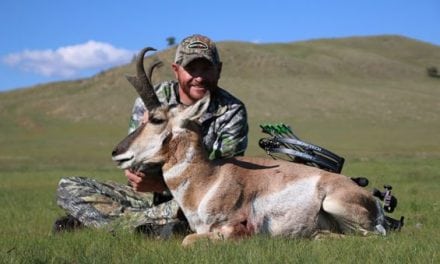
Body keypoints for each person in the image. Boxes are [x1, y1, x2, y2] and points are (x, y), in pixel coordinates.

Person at [54, 34, 249, 237]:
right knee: (67, 187)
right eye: (191, 69)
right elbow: (135, 163)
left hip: (197, 199)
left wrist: (161, 186)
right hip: (145, 195)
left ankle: (97, 221)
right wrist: (141, 173)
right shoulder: (152, 100)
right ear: (176, 70)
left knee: (204, 209)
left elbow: (224, 178)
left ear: (219, 70)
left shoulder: (231, 110)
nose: (199, 78)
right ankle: (149, 228)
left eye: (207, 68)